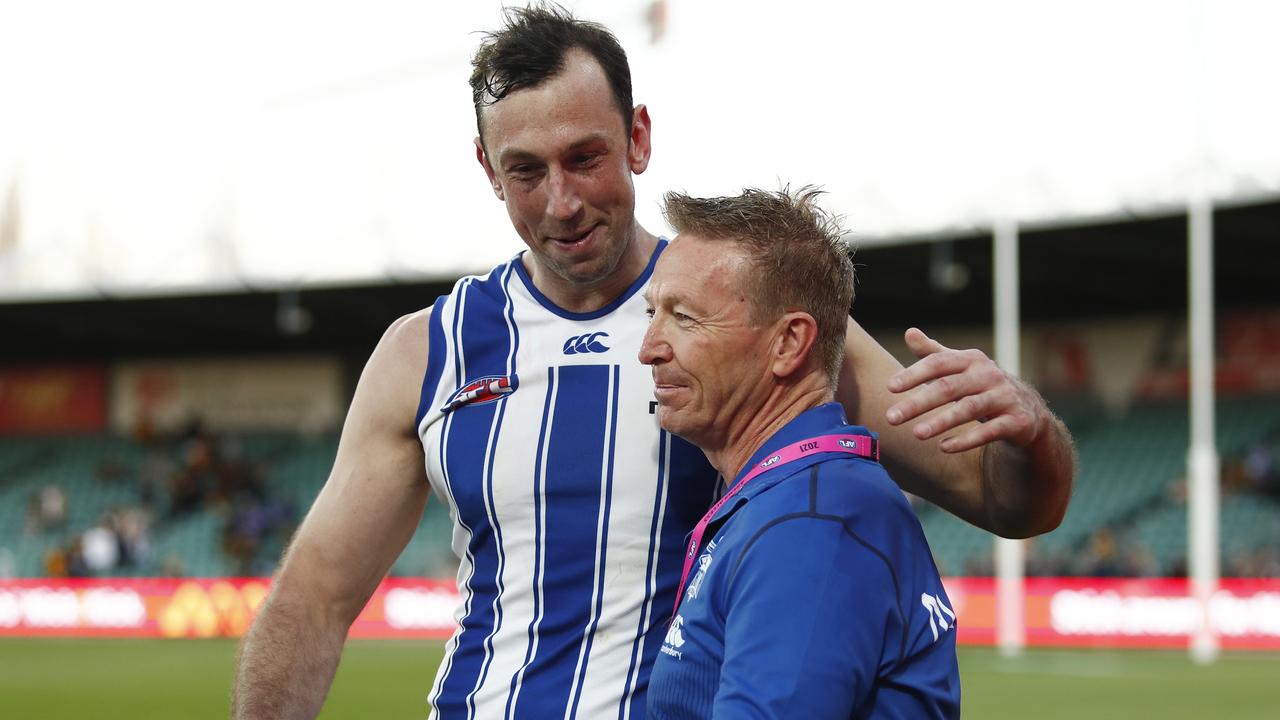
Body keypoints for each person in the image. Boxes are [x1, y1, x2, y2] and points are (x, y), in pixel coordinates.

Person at [232, 5, 1072, 719]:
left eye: (584, 158)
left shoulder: (750, 318)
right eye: (525, 171)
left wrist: (1034, 432)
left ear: (637, 138)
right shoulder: (428, 349)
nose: (561, 202)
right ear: (489, 171)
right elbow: (314, 595)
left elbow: (1003, 496)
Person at [641, 186, 958, 718]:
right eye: (652, 313)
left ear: (788, 343)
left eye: (685, 317)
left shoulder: (812, 520)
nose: (649, 347)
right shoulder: (794, 497)